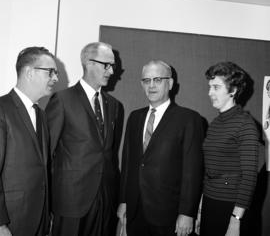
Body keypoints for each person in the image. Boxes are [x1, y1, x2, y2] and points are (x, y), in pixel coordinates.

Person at [117, 60, 204, 236]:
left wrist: (187, 213)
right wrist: (124, 200)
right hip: (135, 212)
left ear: (170, 83)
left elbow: (192, 172)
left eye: (157, 79)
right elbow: (128, 164)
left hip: (169, 214)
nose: (151, 85)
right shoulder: (134, 117)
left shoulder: (189, 119)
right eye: (146, 80)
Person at [45, 42, 123, 236]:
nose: (112, 71)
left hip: (105, 200)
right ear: (89, 63)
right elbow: (45, 153)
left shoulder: (114, 106)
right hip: (70, 200)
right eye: (107, 65)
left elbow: (110, 154)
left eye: (112, 66)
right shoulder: (62, 100)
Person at [0, 46, 58, 236]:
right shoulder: (2, 109)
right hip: (11, 221)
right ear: (29, 73)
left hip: (39, 219)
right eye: (50, 72)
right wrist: (0, 225)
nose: (55, 78)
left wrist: (47, 214)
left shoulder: (41, 114)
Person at [199, 61, 259, 236]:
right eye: (210, 87)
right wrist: (201, 207)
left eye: (216, 87)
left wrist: (236, 220)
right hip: (210, 201)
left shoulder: (245, 124)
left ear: (233, 90)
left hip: (231, 205)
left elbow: (249, 177)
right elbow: (208, 168)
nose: (210, 93)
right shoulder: (215, 123)